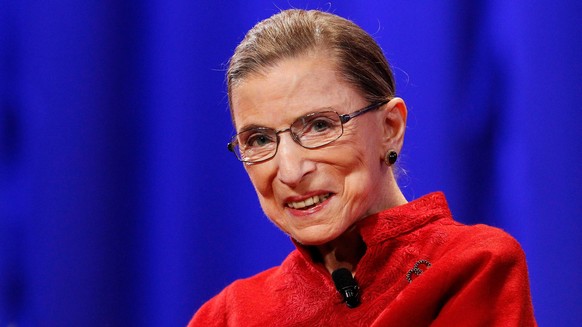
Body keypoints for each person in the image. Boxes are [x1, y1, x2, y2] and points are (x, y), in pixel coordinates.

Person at [189, 9, 536, 326]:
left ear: (390, 128)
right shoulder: (226, 315)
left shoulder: (472, 266)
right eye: (260, 139)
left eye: (319, 126)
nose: (291, 171)